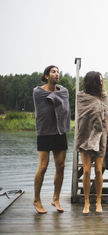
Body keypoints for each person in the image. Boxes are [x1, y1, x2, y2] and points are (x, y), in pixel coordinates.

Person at [33, 65, 70, 214]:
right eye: (53, 72)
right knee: (43, 166)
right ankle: (36, 199)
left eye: (58, 72)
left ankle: (56, 198)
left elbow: (65, 108)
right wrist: (56, 97)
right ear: (47, 75)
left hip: (60, 131)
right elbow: (51, 100)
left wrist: (56, 97)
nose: (57, 74)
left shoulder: (64, 92)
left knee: (60, 166)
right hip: (44, 132)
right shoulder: (38, 92)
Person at [75, 71, 108, 214]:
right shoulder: (81, 96)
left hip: (100, 134)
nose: (102, 83)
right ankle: (87, 201)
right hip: (85, 134)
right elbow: (84, 114)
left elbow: (104, 114)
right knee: (87, 171)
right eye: (99, 80)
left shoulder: (103, 95)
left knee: (99, 170)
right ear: (93, 82)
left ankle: (99, 201)